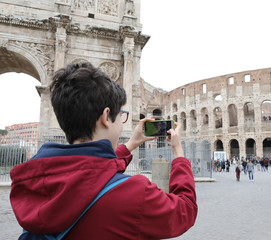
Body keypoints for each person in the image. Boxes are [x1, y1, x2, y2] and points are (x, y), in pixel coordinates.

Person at [9, 61, 197, 240]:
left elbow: (92, 171)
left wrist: (131, 144)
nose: (122, 125)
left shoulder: (35, 181)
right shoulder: (136, 193)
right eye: (121, 116)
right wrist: (179, 153)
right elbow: (185, 211)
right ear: (107, 116)